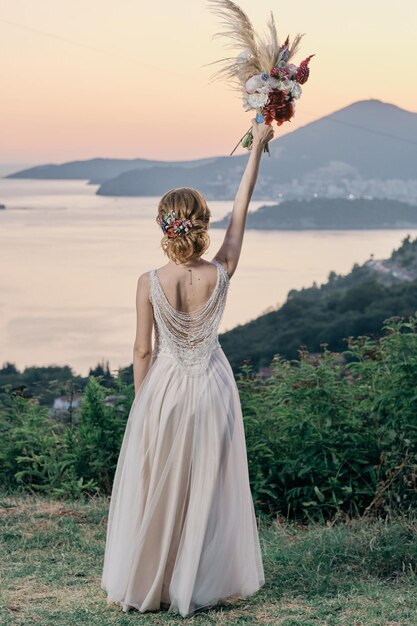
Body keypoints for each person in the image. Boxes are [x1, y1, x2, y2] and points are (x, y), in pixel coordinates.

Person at [101, 118, 274, 618]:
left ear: (164, 224)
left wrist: (143, 406)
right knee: (208, 484)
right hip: (215, 385)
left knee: (160, 481)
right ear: (203, 223)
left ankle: (154, 580)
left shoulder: (148, 281)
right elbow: (242, 213)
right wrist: (255, 151)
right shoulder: (221, 271)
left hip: (166, 388)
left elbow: (141, 350)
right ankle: (198, 580)